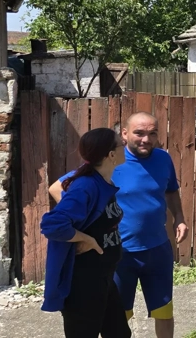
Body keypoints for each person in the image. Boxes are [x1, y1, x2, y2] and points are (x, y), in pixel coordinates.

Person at [50, 112, 188, 338]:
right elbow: (57, 188)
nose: (146, 139)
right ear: (124, 134)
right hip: (120, 254)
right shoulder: (110, 161)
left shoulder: (163, 159)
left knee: (164, 311)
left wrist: (179, 217)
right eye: (139, 133)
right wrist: (83, 226)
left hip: (158, 250)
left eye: (152, 134)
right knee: (118, 317)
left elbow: (171, 189)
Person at [41, 128, 130, 338]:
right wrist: (85, 238)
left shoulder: (101, 181)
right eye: (121, 144)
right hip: (83, 284)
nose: (125, 147)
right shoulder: (87, 186)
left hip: (104, 278)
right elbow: (52, 225)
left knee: (119, 334)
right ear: (111, 154)